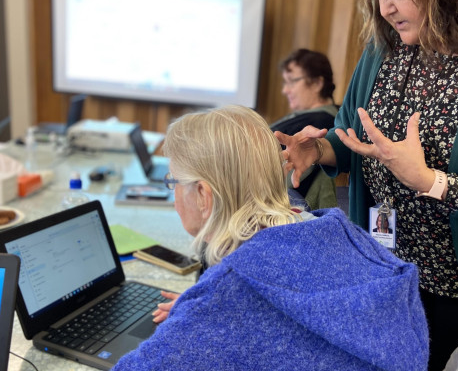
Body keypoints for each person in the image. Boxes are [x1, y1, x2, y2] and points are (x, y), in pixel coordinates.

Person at [275, 0, 458, 369]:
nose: (385, 8)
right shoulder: (386, 49)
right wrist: (319, 151)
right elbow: (350, 135)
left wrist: (432, 182)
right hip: (383, 275)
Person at [113, 105, 428, 371]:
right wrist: (202, 310)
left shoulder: (227, 295)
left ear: (203, 195)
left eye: (174, 182)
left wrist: (204, 310)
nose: (174, 194)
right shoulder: (336, 233)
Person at [271, 48, 339, 209]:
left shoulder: (321, 123)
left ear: (317, 83)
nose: (285, 90)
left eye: (292, 81)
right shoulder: (306, 117)